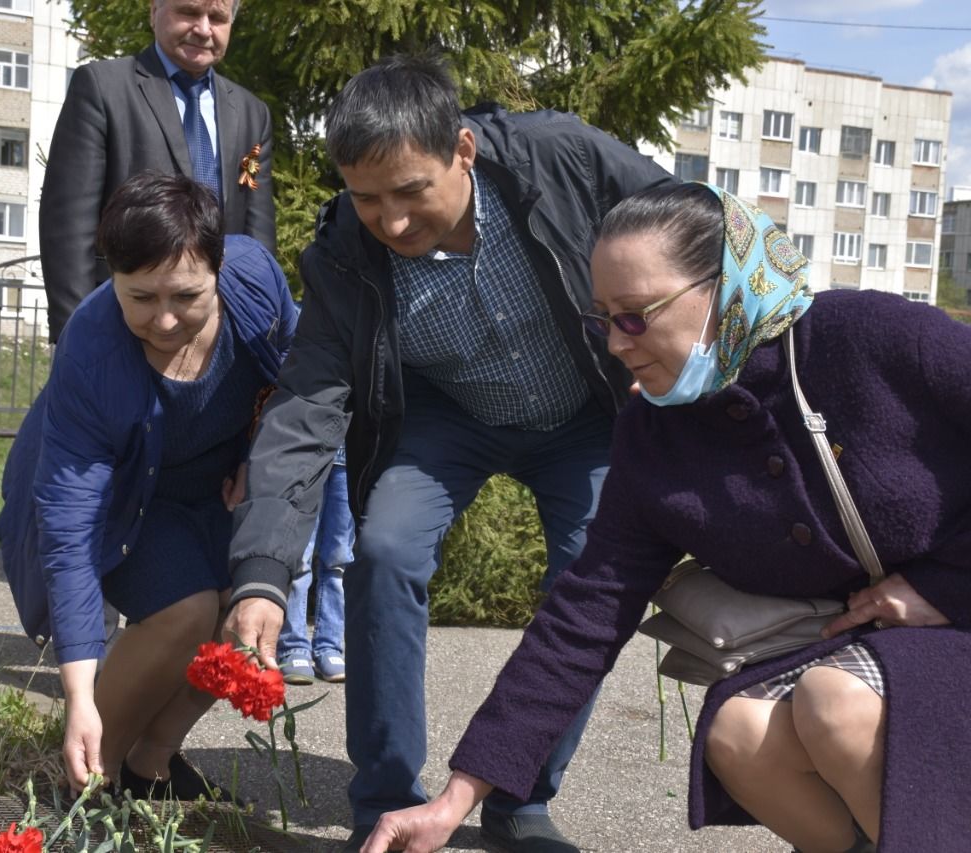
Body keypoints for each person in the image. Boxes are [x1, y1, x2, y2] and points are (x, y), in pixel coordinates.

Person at [359, 181, 971, 853]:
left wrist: (942, 585)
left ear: (724, 287)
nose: (617, 344)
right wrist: (455, 798)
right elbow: (585, 615)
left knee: (834, 704)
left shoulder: (870, 338)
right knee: (737, 731)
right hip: (875, 648)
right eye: (602, 319)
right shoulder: (655, 435)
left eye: (636, 315)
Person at [225, 54, 674, 852]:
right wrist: (262, 573)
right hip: (448, 418)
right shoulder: (344, 255)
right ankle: (386, 798)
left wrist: (683, 361)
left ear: (462, 150)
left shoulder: (558, 159)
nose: (391, 222)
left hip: (585, 413)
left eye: (410, 191)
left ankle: (518, 795)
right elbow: (304, 409)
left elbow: (692, 223)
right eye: (366, 198)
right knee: (387, 549)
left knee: (594, 570)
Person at [0, 172, 296, 796]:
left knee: (235, 615)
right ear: (113, 277)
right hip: (120, 497)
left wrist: (259, 451)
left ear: (217, 267)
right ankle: (85, 787)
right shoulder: (95, 346)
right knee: (185, 610)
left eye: (186, 296)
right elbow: (72, 527)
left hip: (210, 485)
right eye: (140, 297)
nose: (163, 321)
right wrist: (78, 693)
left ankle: (150, 764)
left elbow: (300, 387)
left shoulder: (255, 283)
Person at [39, 0, 275, 342]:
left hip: (217, 334)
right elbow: (67, 226)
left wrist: (256, 326)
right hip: (119, 325)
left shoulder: (252, 113)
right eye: (189, 13)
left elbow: (258, 237)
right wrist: (75, 337)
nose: (204, 29)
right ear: (154, 12)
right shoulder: (103, 88)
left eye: (218, 18)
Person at [277, 444, 354, 685]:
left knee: (339, 559)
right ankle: (293, 647)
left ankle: (330, 647)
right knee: (299, 555)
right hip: (309, 451)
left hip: (353, 455)